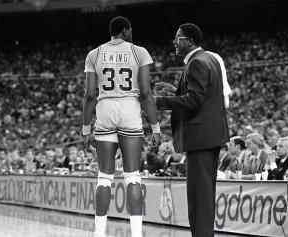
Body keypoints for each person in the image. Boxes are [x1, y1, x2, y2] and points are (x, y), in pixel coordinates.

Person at [82, 16, 161, 237]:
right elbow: (145, 93)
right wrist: (155, 126)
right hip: (129, 109)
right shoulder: (139, 52)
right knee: (133, 176)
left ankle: (99, 233)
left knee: (104, 178)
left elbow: (89, 95)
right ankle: (136, 234)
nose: (132, 33)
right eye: (131, 30)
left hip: (105, 109)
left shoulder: (94, 54)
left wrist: (86, 129)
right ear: (125, 31)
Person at [154, 23, 229, 236]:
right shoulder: (210, 58)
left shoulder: (196, 62)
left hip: (200, 136)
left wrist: (159, 101)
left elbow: (195, 99)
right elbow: (202, 94)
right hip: (209, 135)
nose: (175, 41)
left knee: (200, 195)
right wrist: (174, 91)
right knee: (202, 193)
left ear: (191, 41)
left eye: (178, 38)